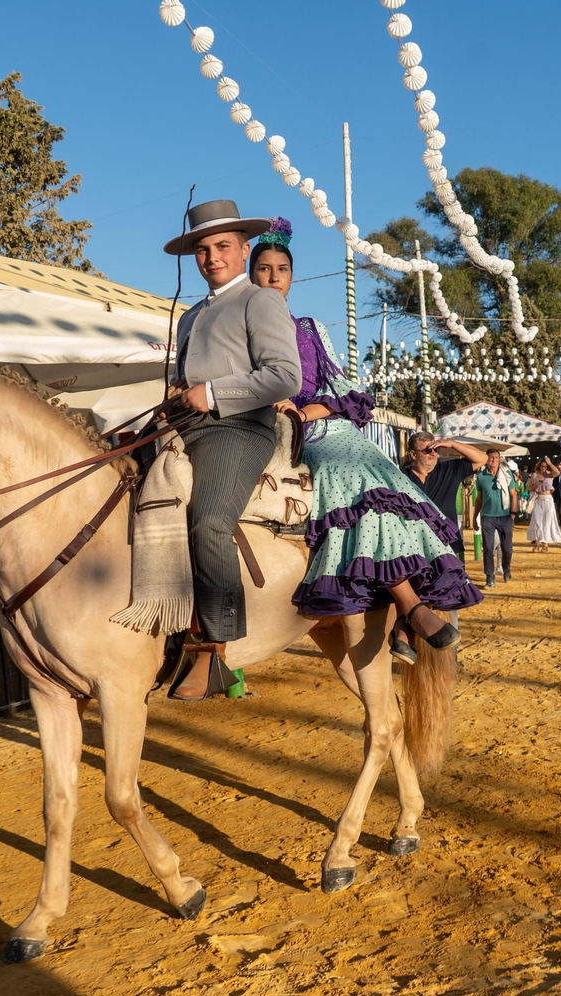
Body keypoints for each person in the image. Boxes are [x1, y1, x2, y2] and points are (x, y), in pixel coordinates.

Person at [249, 218, 480, 666]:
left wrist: (304, 411)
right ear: (251, 273)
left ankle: (408, 609)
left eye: (282, 269)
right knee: (352, 480)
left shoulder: (310, 327)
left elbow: (339, 390)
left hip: (318, 426)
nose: (274, 276)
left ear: (292, 277)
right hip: (268, 426)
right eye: (264, 268)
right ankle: (409, 609)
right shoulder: (239, 325)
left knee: (389, 488)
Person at [162, 199, 303, 700]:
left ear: (244, 250)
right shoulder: (191, 315)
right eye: (202, 248)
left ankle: (214, 650)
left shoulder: (260, 300)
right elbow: (189, 378)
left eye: (222, 246)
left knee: (209, 521)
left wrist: (214, 393)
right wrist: (177, 397)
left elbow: (285, 376)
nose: (212, 256)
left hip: (238, 430)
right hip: (184, 426)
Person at [403, 431, 489, 557]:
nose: (433, 454)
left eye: (436, 449)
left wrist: (452, 444)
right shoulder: (400, 477)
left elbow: (482, 458)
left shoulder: (449, 469)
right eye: (427, 450)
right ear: (413, 454)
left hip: (446, 544)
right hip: (414, 546)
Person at [473, 450, 517, 588]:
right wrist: (475, 517)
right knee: (488, 548)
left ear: (499, 459)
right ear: (486, 459)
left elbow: (513, 495)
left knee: (507, 548)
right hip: (488, 517)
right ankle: (489, 577)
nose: (493, 460)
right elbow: (479, 499)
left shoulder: (507, 475)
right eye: (491, 457)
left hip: (505, 517)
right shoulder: (481, 477)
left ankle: (506, 568)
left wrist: (513, 514)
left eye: (496, 457)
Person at [525, 458, 561, 551]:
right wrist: (535, 486)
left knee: (547, 522)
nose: (543, 468)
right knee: (537, 522)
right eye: (541, 466)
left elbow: (557, 473)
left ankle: (545, 545)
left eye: (545, 466)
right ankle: (536, 545)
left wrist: (551, 463)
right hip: (538, 500)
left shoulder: (550, 475)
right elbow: (528, 488)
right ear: (539, 466)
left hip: (548, 500)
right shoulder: (535, 475)